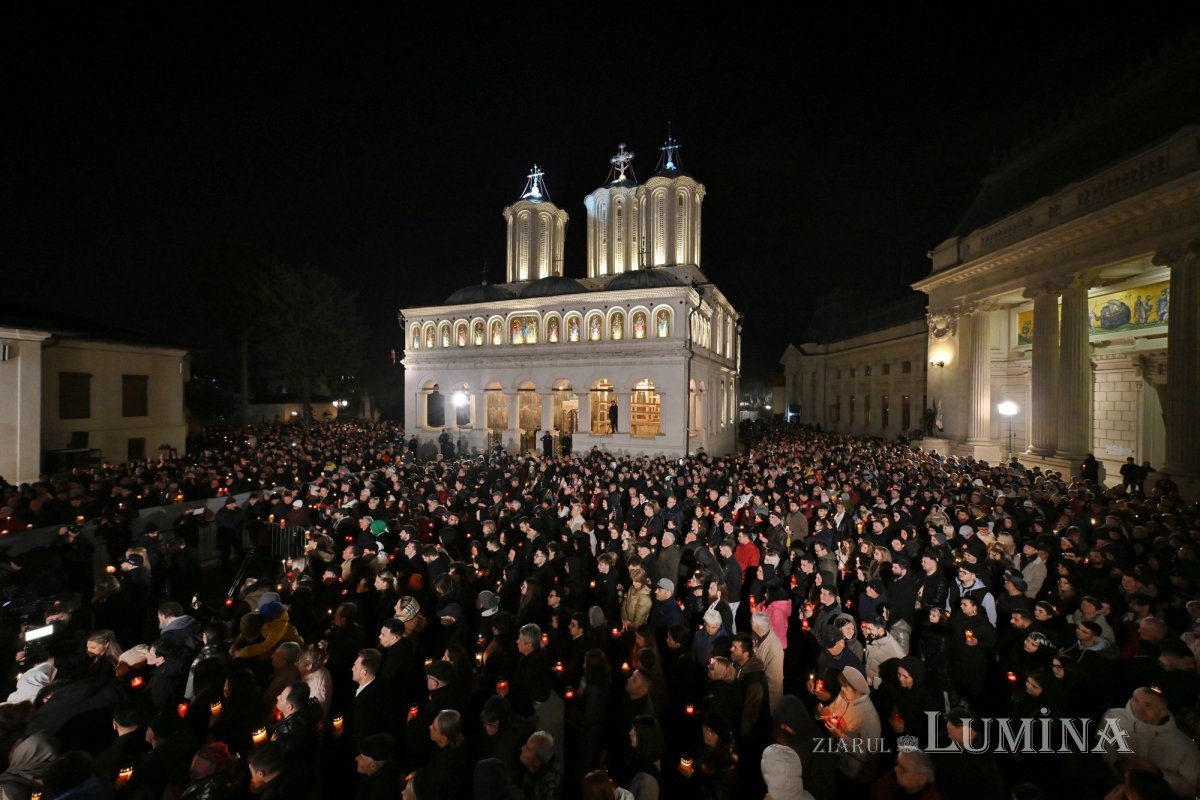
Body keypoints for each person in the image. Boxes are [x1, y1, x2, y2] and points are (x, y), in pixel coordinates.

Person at [1100, 687, 1200, 797]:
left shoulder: (1185, 747)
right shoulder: (1114, 716)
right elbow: (1103, 743)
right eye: (1135, 700)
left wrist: (1158, 773)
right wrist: (1118, 764)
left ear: (1163, 712)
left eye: (1148, 705)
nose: (1137, 708)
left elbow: (1189, 789)